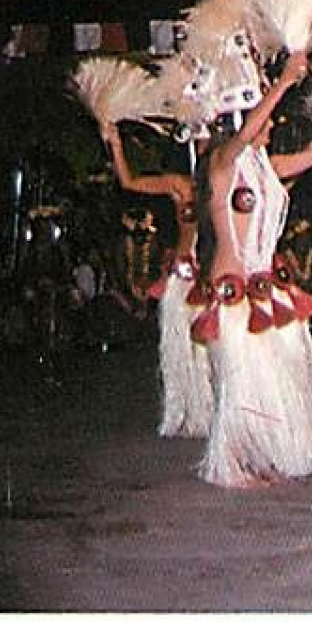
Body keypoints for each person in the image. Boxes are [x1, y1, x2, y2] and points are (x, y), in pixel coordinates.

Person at [193, 49, 312, 487]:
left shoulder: (269, 168)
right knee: (242, 385)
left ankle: (266, 452)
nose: (272, 124)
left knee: (277, 376)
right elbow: (248, 129)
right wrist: (285, 82)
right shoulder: (221, 164)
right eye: (265, 119)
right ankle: (232, 465)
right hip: (232, 288)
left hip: (266, 287)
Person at [100, 123, 212, 437]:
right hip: (186, 271)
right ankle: (187, 409)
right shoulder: (181, 184)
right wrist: (116, 145)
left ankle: (217, 409)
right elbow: (129, 181)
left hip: (217, 272)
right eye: (200, 140)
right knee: (183, 345)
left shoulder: (230, 178)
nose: (205, 146)